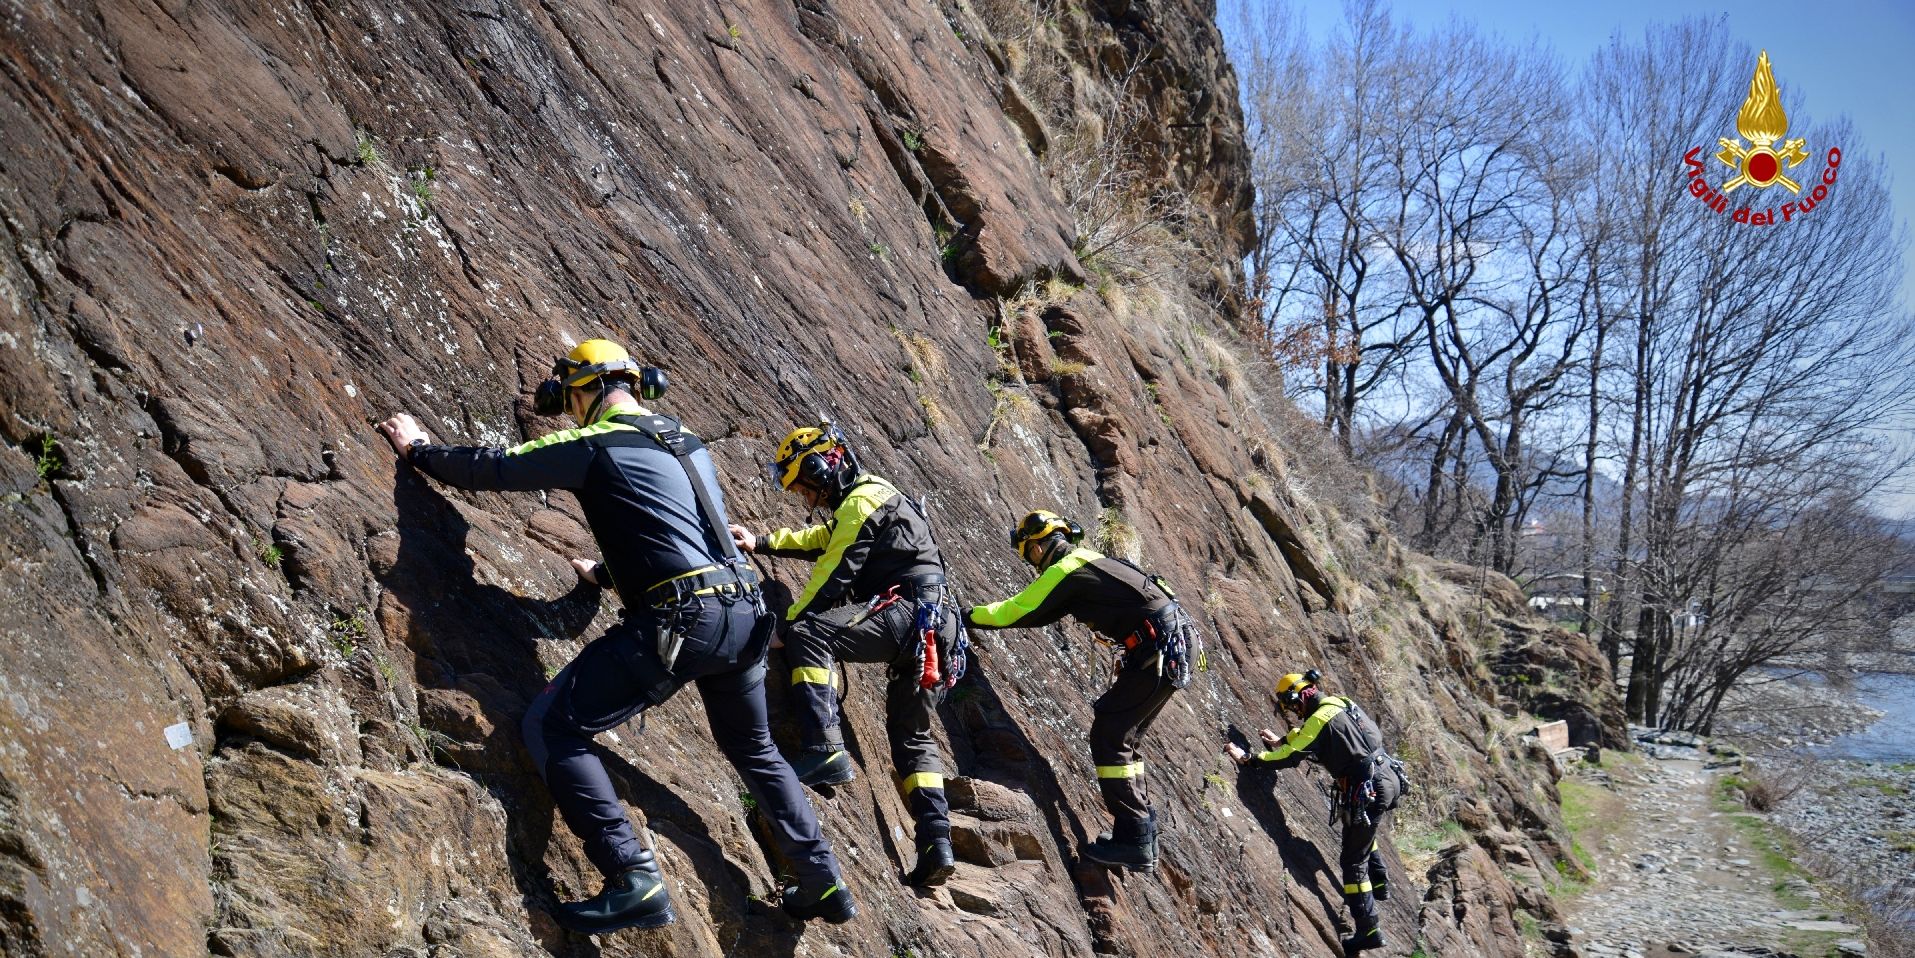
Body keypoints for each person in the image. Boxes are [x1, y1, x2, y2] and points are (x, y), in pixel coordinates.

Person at [376, 339, 854, 933]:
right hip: (745, 613)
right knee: (755, 748)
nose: (571, 411)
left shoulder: (596, 442)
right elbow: (681, 529)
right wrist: (606, 575)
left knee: (552, 725)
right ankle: (821, 877)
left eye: (570, 399)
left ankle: (633, 876)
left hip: (685, 619)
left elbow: (496, 467)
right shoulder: (686, 440)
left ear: (584, 389)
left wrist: (420, 449)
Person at [727, 421, 961, 888]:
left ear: (822, 468)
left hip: (908, 612)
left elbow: (835, 570)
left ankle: (824, 748)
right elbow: (826, 540)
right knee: (912, 737)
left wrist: (788, 628)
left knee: (811, 633)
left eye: (805, 486)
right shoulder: (871, 498)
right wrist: (762, 542)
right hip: (938, 627)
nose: (805, 498)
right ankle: (937, 842)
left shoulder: (862, 501)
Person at [964, 510, 1198, 872]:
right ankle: (1143, 832)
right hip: (1172, 645)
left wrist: (967, 615)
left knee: (1110, 735)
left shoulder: (1067, 568)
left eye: (1029, 555)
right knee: (1125, 738)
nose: (1033, 564)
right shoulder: (1093, 561)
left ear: (1037, 548)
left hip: (1158, 647)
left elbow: (1019, 610)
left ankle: (1134, 838)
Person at [1226, 670, 1402, 955]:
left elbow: (1293, 755)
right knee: (1360, 828)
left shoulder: (1318, 720)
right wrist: (1285, 740)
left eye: (1291, 705)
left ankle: (1368, 929)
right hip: (1388, 776)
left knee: (1352, 861)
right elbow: (1329, 739)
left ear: (1297, 697)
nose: (1294, 712)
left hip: (1368, 787)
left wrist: (1250, 759)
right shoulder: (1341, 702)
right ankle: (1380, 881)